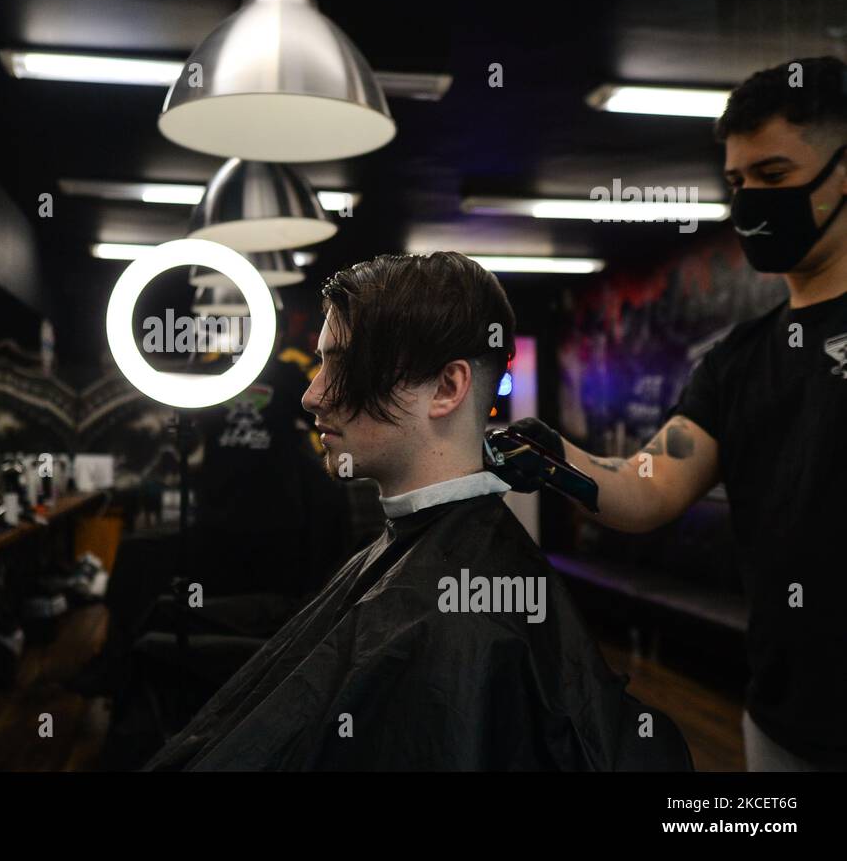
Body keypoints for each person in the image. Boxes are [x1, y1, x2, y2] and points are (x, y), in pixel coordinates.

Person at [145, 252, 690, 770]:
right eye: (320, 364)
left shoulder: (469, 624)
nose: (312, 396)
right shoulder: (425, 561)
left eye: (342, 364)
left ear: (447, 388)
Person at [506, 57, 847, 772]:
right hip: (784, 724)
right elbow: (650, 488)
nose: (751, 201)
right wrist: (557, 459)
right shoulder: (737, 362)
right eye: (738, 182)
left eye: (775, 176)